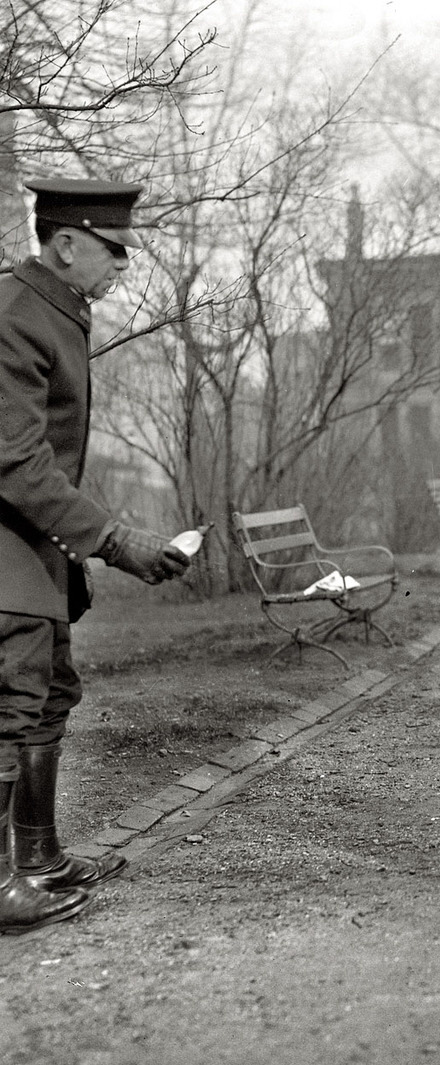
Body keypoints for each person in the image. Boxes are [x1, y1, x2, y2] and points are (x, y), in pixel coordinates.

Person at [0, 178, 191, 934]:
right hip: (7, 555)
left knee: (48, 694)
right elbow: (15, 462)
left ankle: (38, 861)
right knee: (10, 711)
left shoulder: (55, 310)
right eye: (115, 250)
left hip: (34, 554)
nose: (123, 265)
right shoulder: (16, 313)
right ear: (66, 241)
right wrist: (115, 541)